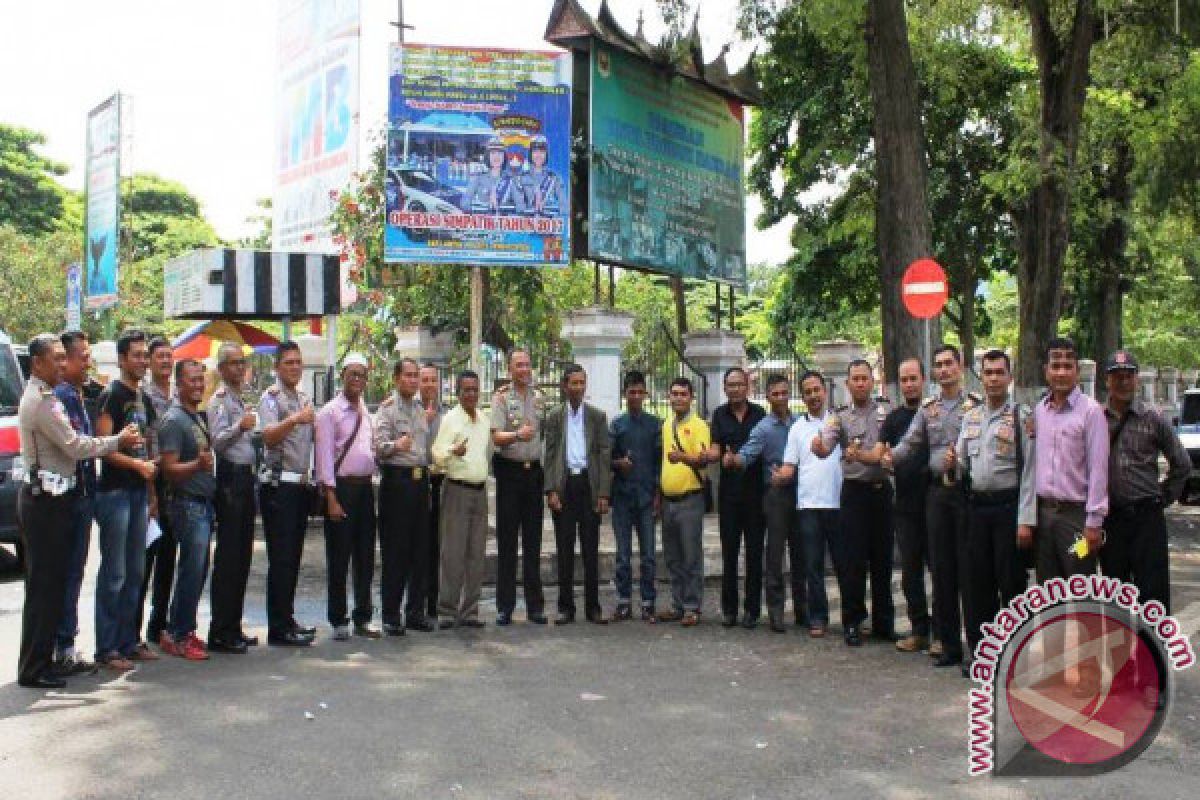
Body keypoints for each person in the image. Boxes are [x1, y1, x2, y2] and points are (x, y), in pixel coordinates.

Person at [16, 334, 138, 689]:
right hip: (46, 503)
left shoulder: (48, 396)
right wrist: (117, 441)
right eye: (55, 358)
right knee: (44, 587)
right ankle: (35, 667)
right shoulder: (41, 401)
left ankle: (42, 661)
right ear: (37, 363)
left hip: (55, 500)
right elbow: (75, 445)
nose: (61, 364)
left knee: (51, 585)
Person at [884, 344, 979, 667]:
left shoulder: (975, 407)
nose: (944, 370)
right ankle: (948, 645)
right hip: (937, 496)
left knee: (968, 572)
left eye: (949, 364)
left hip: (967, 496)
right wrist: (888, 458)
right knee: (942, 570)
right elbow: (910, 443)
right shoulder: (929, 410)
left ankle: (976, 648)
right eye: (938, 365)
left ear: (960, 366)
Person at [949, 350, 1036, 670]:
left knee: (1011, 584)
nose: (994, 379)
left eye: (1000, 372)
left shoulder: (1022, 418)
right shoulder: (971, 417)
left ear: (1010, 378)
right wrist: (950, 465)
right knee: (976, 584)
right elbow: (959, 462)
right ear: (981, 378)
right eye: (988, 373)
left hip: (1008, 509)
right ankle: (981, 652)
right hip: (976, 510)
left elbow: (1029, 473)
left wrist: (1026, 520)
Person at [1101, 349, 1190, 613]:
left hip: (1146, 518)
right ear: (1107, 380)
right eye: (1117, 376)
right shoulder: (1095, 418)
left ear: (1137, 380)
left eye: (1128, 375)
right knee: (1114, 594)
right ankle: (1120, 654)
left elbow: (1182, 464)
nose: (1123, 381)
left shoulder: (1153, 418)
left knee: (1153, 596)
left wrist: (1163, 497)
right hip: (1110, 519)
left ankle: (1153, 653)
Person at [814, 360, 894, 647]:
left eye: (865, 378)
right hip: (854, 494)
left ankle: (884, 622)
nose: (860, 383)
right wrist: (818, 447)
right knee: (853, 562)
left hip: (882, 492)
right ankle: (852, 622)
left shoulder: (887, 411)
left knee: (883, 560)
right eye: (855, 379)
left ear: (872, 382)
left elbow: (890, 448)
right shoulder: (839, 416)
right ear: (847, 384)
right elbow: (825, 446)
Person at [94, 329, 158, 671]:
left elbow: (146, 446)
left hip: (137, 492)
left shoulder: (143, 397)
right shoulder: (112, 396)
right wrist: (136, 464)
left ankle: (128, 641)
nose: (143, 361)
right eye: (136, 355)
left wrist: (151, 494)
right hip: (115, 493)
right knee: (114, 573)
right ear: (121, 360)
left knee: (135, 572)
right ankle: (106, 648)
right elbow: (104, 447)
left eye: (145, 355)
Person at [1029, 337, 1109, 582]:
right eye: (1055, 365)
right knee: (1050, 595)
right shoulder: (1040, 411)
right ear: (1046, 371)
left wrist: (1094, 522)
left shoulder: (1091, 411)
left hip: (1077, 521)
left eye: (1067, 366)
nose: (1061, 372)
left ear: (1077, 370)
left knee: (1080, 591)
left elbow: (1099, 469)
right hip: (1044, 518)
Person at [315, 353, 380, 641]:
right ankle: (338, 618)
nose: (357, 380)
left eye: (362, 375)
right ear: (342, 376)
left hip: (365, 490)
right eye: (352, 374)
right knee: (339, 558)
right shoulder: (330, 413)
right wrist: (330, 496)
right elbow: (325, 457)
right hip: (340, 489)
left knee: (365, 557)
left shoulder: (367, 412)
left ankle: (363, 617)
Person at [257, 341, 317, 647]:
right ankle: (278, 628)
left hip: (300, 486)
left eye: (298, 362)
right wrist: (294, 420)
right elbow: (267, 437)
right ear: (277, 367)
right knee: (280, 559)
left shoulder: (304, 398)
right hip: (278, 485)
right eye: (288, 363)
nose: (294, 367)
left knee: (293, 559)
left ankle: (288, 618)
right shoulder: (271, 398)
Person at [730, 373, 800, 633]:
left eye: (784, 393)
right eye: (775, 394)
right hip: (776, 496)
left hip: (801, 493)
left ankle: (803, 610)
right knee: (775, 554)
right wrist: (734, 460)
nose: (780, 398)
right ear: (768, 397)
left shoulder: (800, 423)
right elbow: (748, 453)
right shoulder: (762, 427)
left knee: (802, 552)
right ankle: (776, 612)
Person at [157, 359, 217, 661]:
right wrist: (197, 465)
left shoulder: (195, 417)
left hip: (203, 505)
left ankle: (183, 629)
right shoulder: (174, 421)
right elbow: (168, 469)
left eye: (200, 379)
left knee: (197, 569)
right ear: (179, 384)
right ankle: (179, 633)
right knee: (191, 570)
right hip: (187, 504)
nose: (197, 385)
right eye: (191, 380)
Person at [543, 364, 612, 624]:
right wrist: (550, 490)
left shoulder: (596, 416)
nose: (579, 388)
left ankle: (593, 607)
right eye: (574, 383)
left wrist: (604, 493)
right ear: (564, 386)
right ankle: (565, 607)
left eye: (582, 383)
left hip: (588, 486)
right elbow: (548, 455)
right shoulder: (553, 416)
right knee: (564, 549)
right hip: (564, 486)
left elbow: (604, 456)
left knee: (591, 549)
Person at [778, 371, 842, 638]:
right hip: (808, 505)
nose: (813, 395)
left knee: (844, 564)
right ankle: (818, 617)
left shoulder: (839, 423)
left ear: (825, 391)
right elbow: (789, 466)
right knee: (812, 566)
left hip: (838, 503)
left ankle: (851, 618)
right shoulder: (797, 428)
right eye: (808, 392)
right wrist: (778, 476)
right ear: (802, 397)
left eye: (817, 390)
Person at [51, 331, 101, 675]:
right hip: (68, 497)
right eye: (82, 357)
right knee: (66, 573)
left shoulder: (78, 394)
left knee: (74, 572)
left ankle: (65, 642)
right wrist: (113, 442)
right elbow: (78, 446)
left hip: (81, 494)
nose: (88, 363)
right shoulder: (60, 397)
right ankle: (62, 647)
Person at [374, 358, 435, 634]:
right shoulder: (387, 410)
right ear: (397, 379)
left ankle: (415, 612)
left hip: (420, 484)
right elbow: (378, 447)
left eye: (415, 376)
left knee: (419, 551)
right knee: (396, 552)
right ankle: (390, 615)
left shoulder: (421, 409)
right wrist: (396, 445)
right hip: (397, 484)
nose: (413, 380)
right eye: (408, 376)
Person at [207, 343, 259, 654]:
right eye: (234, 363)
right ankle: (220, 629)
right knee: (228, 557)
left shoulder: (243, 397)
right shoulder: (220, 402)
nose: (240, 368)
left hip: (247, 476)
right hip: (230, 477)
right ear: (223, 368)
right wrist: (240, 427)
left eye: (243, 362)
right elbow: (218, 442)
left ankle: (234, 625)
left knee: (242, 555)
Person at [489, 349, 547, 626]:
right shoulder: (501, 398)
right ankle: (505, 606)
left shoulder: (541, 399)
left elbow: (548, 435)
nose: (524, 369)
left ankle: (535, 606)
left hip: (534, 476)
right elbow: (496, 437)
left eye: (527, 364)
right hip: (510, 475)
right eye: (518, 365)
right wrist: (517, 435)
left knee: (533, 542)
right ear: (510, 369)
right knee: (508, 542)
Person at [431, 371, 493, 628]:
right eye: (466, 390)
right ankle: (447, 610)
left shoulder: (484, 420)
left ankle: (471, 611)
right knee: (453, 553)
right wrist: (452, 451)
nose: (471, 394)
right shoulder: (451, 420)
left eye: (475, 390)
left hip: (480, 491)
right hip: (456, 490)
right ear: (458, 393)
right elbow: (436, 455)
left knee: (476, 554)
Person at [881, 358, 933, 654]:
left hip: (936, 503)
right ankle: (919, 629)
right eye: (904, 379)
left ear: (924, 380)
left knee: (941, 570)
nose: (909, 384)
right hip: (905, 506)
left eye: (914, 378)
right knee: (911, 572)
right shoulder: (893, 419)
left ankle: (942, 630)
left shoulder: (934, 413)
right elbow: (884, 454)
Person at [708, 367, 766, 628]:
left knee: (754, 554)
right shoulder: (719, 415)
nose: (735, 390)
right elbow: (716, 447)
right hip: (729, 496)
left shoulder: (760, 415)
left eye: (739, 385)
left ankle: (752, 610)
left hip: (756, 495)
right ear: (725, 389)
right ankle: (729, 609)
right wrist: (720, 457)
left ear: (748, 387)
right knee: (729, 553)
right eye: (730, 385)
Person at [658, 377, 712, 627]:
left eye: (683, 394)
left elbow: (703, 461)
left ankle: (692, 606)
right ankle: (677, 604)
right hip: (668, 499)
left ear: (691, 398)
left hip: (690, 498)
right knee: (672, 557)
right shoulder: (667, 424)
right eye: (674, 394)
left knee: (691, 556)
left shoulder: (699, 425)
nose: (678, 398)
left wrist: (682, 457)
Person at [609, 371, 662, 622]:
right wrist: (620, 463)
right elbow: (607, 459)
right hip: (621, 497)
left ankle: (648, 601)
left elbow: (661, 463)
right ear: (625, 394)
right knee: (622, 554)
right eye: (632, 392)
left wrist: (658, 495)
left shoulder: (655, 424)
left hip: (646, 496)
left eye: (641, 392)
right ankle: (623, 601)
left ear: (646, 394)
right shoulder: (617, 425)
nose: (636, 396)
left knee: (649, 554)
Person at [139, 335, 176, 648]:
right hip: (151, 479)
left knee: (168, 558)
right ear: (149, 362)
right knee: (144, 560)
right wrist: (151, 493)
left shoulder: (178, 395)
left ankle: (159, 623)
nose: (166, 362)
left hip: (176, 482)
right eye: (160, 357)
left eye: (169, 356)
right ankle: (132, 628)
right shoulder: (143, 397)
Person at [419, 363, 447, 620]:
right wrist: (422, 422)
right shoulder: (411, 411)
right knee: (419, 544)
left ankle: (435, 603)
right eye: (424, 380)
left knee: (439, 544)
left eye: (433, 380)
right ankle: (416, 601)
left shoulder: (447, 414)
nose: (429, 384)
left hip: (441, 482)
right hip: (417, 480)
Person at [522, 134, 566, 217]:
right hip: (524, 226)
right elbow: (517, 206)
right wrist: (532, 206)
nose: (538, 155)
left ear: (546, 154)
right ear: (530, 154)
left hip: (548, 226)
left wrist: (546, 206)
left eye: (542, 151)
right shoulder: (521, 178)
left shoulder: (555, 179)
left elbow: (564, 207)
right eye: (535, 151)